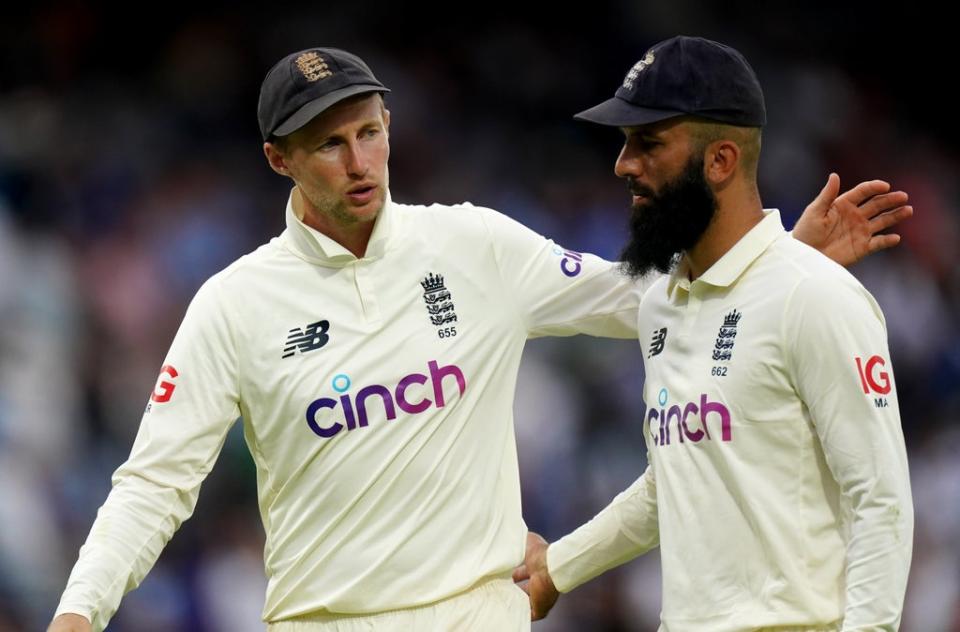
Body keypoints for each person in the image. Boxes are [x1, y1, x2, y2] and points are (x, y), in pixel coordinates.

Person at [49, 46, 910, 632]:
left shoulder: (473, 247)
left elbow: (644, 297)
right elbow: (153, 482)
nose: (359, 164)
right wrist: (81, 609)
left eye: (370, 132)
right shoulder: (234, 304)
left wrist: (776, 263)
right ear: (281, 160)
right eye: (329, 146)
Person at [515, 36, 914, 631]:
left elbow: (880, 500)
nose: (624, 164)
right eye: (625, 144)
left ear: (721, 160)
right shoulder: (661, 305)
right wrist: (560, 567)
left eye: (647, 143)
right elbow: (674, 481)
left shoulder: (815, 295)